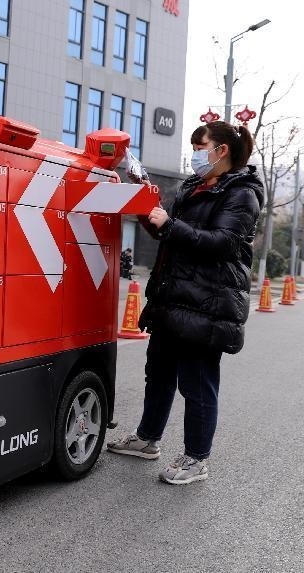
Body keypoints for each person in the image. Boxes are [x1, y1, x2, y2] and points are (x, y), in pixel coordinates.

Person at [106, 121, 264, 485]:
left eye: (200, 144)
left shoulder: (242, 192)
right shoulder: (192, 186)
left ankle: (196, 459)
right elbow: (170, 235)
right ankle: (147, 439)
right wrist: (149, 210)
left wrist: (170, 225)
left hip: (208, 302)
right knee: (158, 374)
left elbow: (222, 243)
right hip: (173, 296)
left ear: (221, 149)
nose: (195, 152)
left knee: (197, 383)